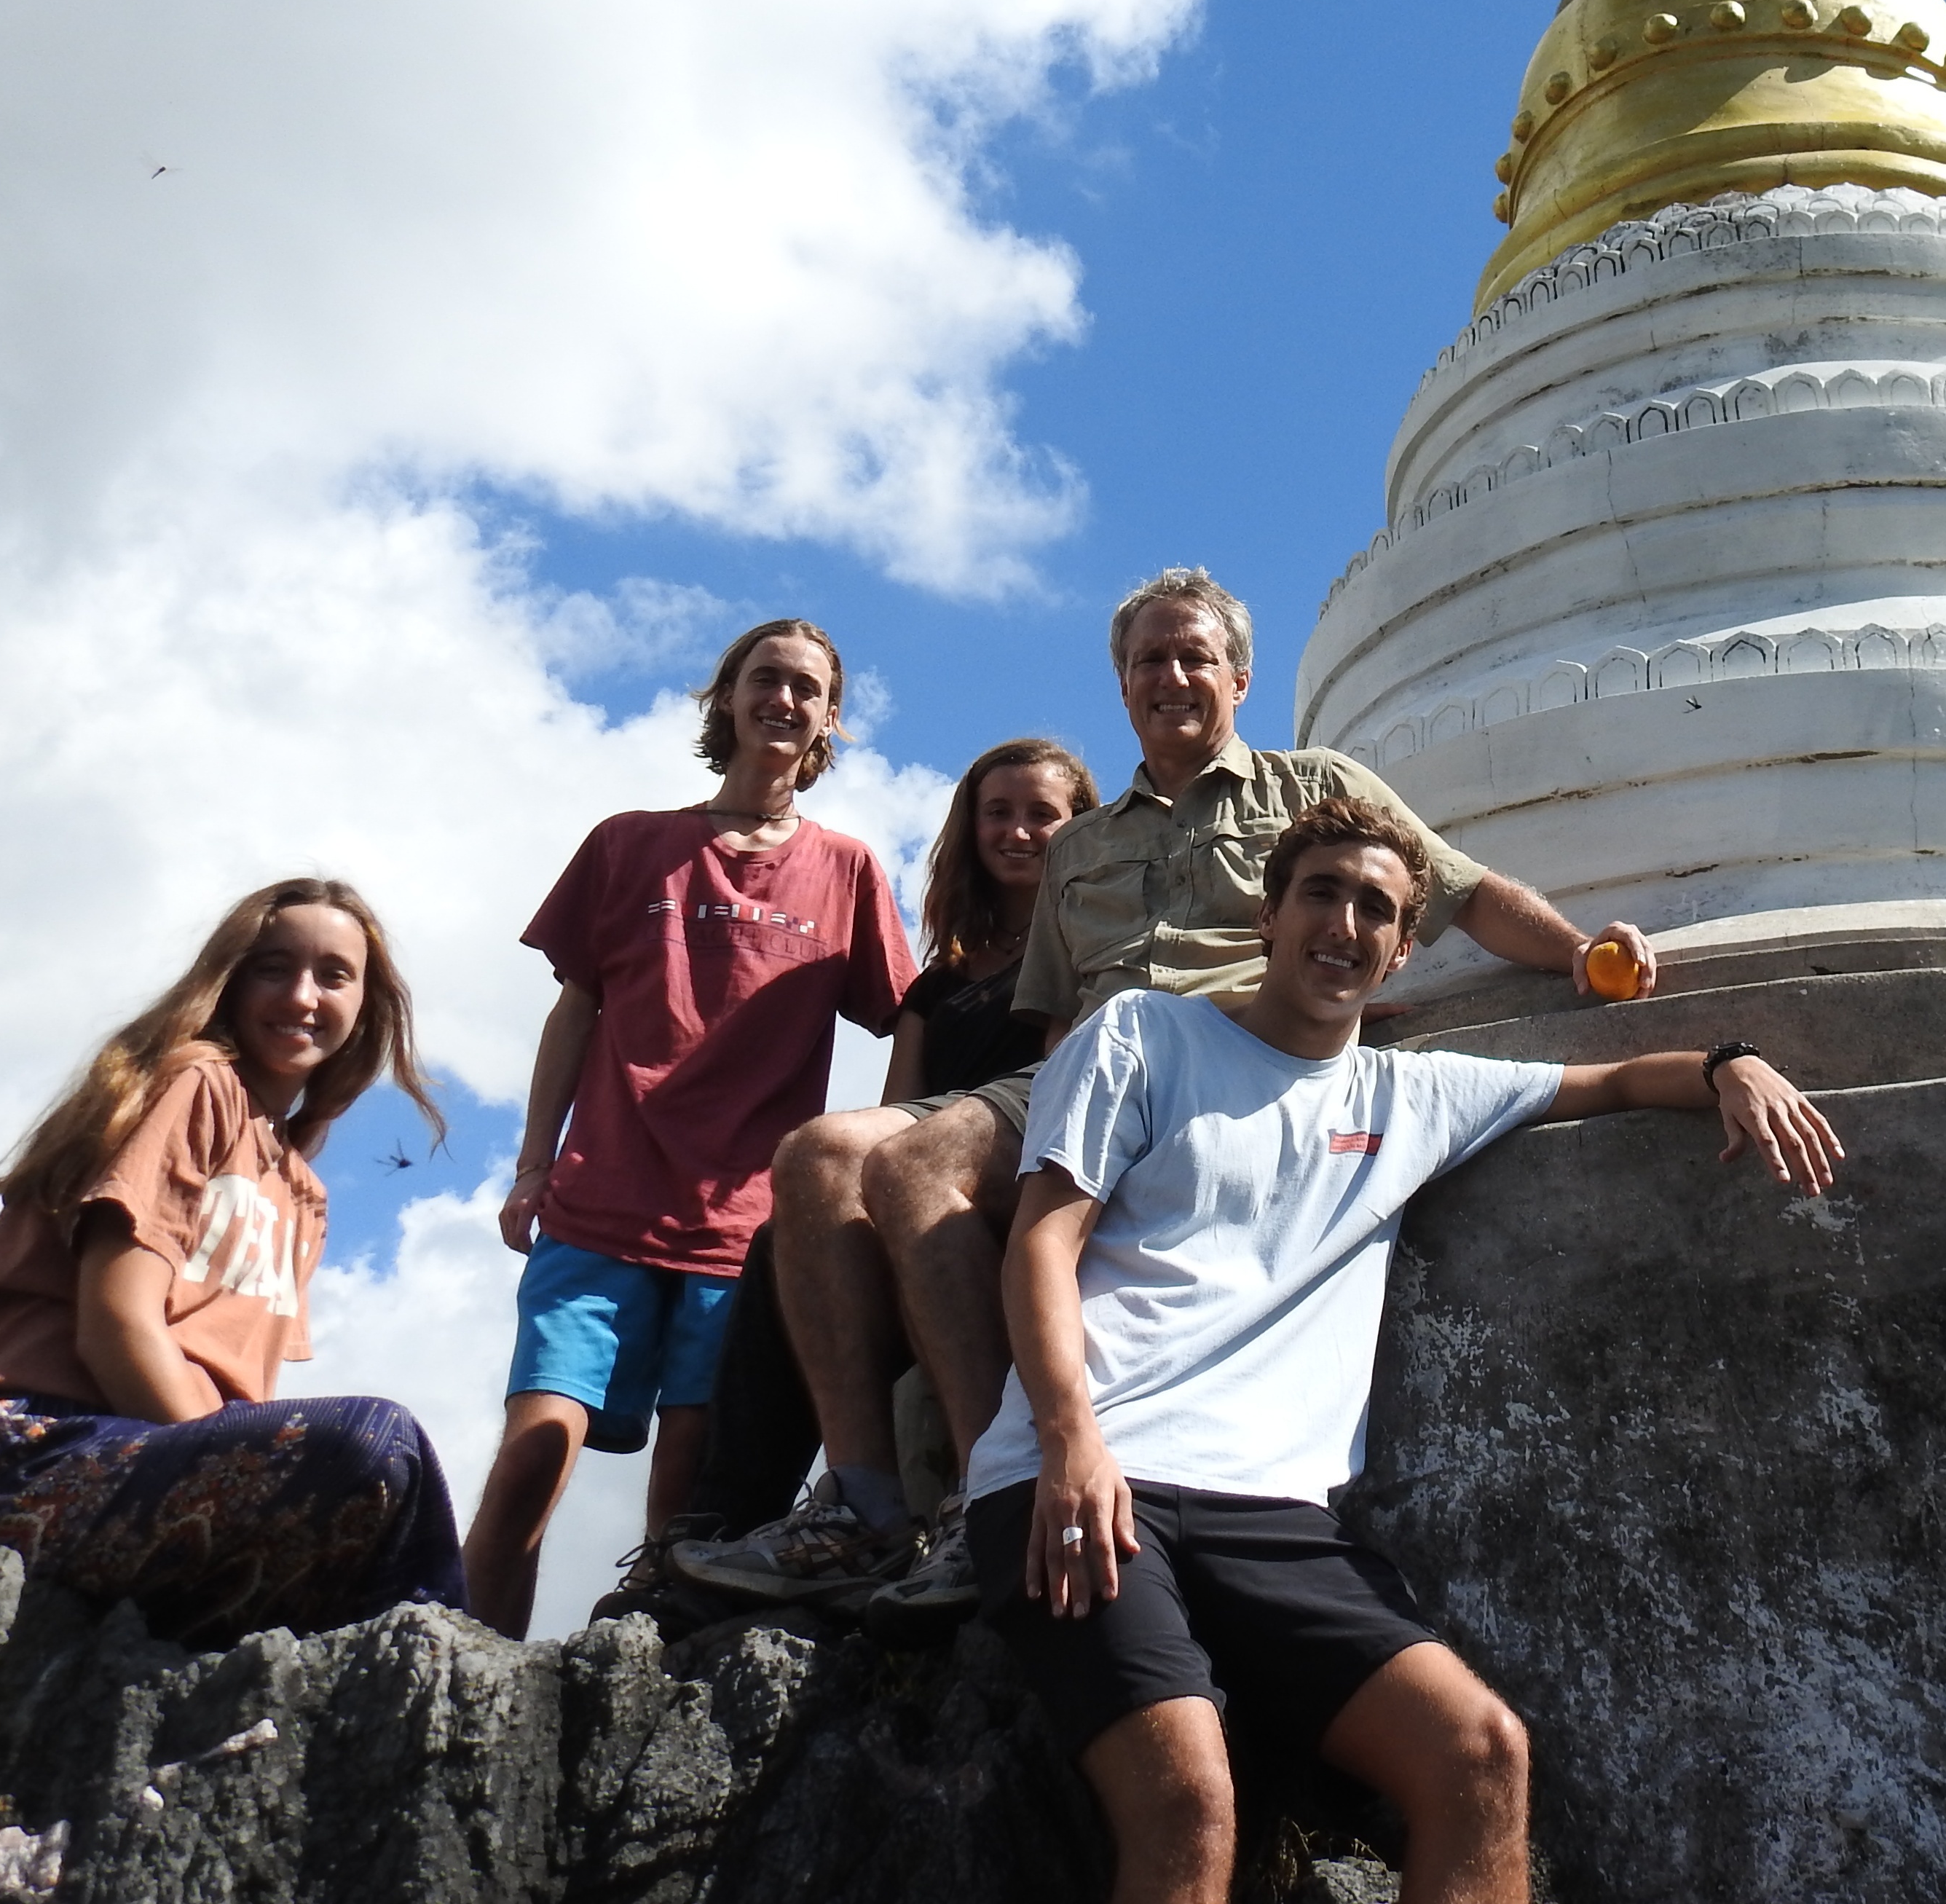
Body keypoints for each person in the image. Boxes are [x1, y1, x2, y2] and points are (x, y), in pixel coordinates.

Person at [674, 569, 1655, 1627]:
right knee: (818, 1157)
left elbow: (1461, 893)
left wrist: (1581, 954)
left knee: (912, 1164)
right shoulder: (1080, 849)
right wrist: (1037, 1144)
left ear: (1239, 678)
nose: (1171, 676)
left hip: (1226, 1063)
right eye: (1149, 658)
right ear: (1122, 681)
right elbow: (1053, 1027)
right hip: (1082, 1071)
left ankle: (980, 1500)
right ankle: (861, 1506)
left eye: (1195, 656)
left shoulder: (1307, 788)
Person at [973, 798, 1842, 1904]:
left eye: (1375, 909)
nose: (1343, 923)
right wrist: (1069, 1440)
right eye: (1321, 894)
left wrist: (1732, 1061)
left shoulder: (1410, 1096)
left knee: (1479, 1752)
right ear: (1270, 918)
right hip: (1089, 1475)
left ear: (1401, 952)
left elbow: (1613, 1082)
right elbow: (1043, 1238)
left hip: (1275, 1517)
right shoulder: (1146, 1033)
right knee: (1189, 1804)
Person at [462, 618, 911, 1635]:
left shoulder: (846, 871)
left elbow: (909, 1017)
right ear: (724, 698)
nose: (784, 700)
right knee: (532, 1457)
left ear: (830, 718)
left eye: (807, 687)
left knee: (687, 1500)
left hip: (743, 1233)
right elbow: (576, 1008)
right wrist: (533, 1165)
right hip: (600, 1202)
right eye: (765, 679)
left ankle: (640, 1683)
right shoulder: (629, 845)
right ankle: (469, 1667)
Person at [0, 878, 465, 1648]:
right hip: (29, 1461)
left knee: (375, 1514)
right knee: (373, 1439)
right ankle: (438, 1660)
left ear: (366, 1004)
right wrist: (247, 1465)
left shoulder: (302, 1193)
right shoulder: (198, 1084)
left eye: (334, 975)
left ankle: (423, 1680)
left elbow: (241, 1384)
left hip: (163, 1464)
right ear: (232, 980)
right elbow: (116, 1323)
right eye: (274, 968)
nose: (303, 995)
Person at [667, 738, 1095, 1618]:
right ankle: (779, 1514)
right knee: (784, 1243)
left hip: (1021, 1160)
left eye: (1042, 814)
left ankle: (978, 1497)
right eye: (997, 813)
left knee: (836, 1175)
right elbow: (897, 1114)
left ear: (1080, 829)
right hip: (923, 1160)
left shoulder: (1092, 947)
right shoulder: (939, 986)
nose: (1017, 831)